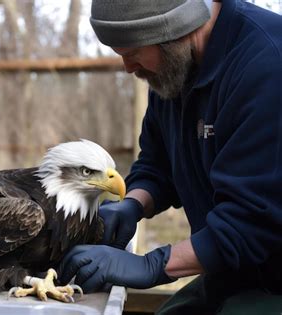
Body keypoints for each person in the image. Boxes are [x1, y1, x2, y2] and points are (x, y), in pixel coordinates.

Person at [58, 0, 282, 313]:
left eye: (133, 52)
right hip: (231, 274)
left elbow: (252, 222)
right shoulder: (174, 68)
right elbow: (158, 164)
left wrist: (152, 266)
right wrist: (131, 205)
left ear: (173, 30)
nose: (128, 67)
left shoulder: (268, 65)